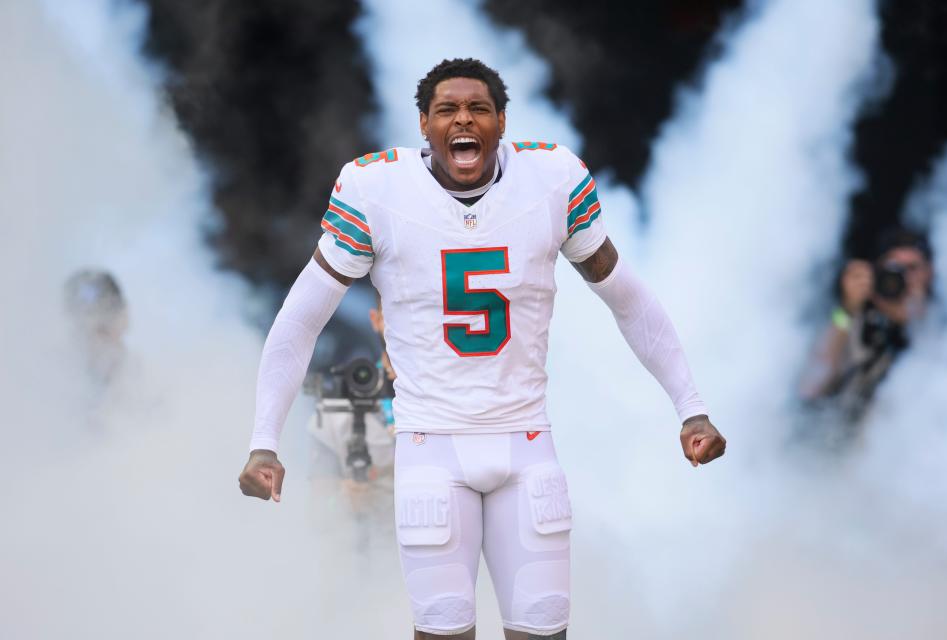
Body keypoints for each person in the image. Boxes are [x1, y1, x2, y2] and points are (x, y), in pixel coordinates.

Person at [238, 58, 726, 640]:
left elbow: (628, 299)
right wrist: (263, 440)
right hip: (431, 447)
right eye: (446, 109)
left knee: (545, 633)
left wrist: (691, 406)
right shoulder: (377, 190)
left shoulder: (551, 180)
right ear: (424, 124)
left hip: (526, 442)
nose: (462, 119)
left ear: (501, 122)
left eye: (478, 108)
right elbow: (299, 321)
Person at [800, 228, 934, 429]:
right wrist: (847, 310)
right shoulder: (854, 320)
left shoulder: (944, 328)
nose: (903, 277)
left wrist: (916, 319)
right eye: (894, 268)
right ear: (877, 271)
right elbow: (811, 385)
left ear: (929, 273)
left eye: (912, 268)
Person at [305, 300, 396, 542]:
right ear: (377, 320)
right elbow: (317, 514)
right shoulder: (336, 414)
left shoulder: (457, 397)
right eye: (396, 310)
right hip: (372, 563)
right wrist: (343, 499)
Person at [63, 269, 129, 384]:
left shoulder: (151, 383)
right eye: (83, 331)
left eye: (103, 329)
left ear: (124, 319)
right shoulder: (54, 379)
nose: (96, 342)